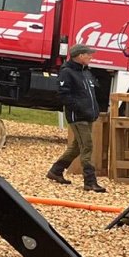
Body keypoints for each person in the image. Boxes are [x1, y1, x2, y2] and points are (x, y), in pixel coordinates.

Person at [48, 43, 105, 190]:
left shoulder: (86, 72)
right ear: (80, 56)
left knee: (76, 148)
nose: (91, 57)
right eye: (88, 54)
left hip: (88, 115)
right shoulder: (67, 72)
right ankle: (90, 181)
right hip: (78, 116)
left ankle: (56, 171)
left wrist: (95, 110)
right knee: (87, 146)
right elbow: (63, 94)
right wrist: (79, 109)